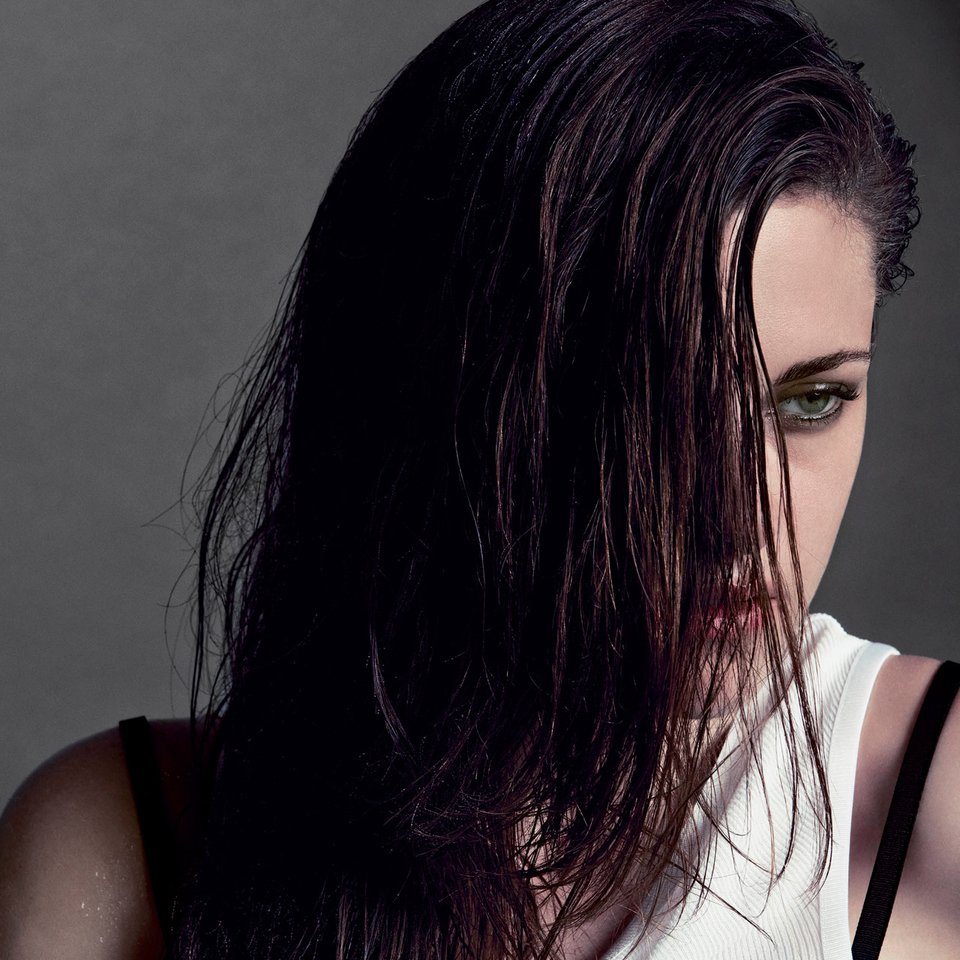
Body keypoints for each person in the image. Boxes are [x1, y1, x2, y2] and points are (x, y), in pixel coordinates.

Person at [0, 0, 955, 957]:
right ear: (441, 398)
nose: (741, 520)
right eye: (647, 412)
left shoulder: (935, 813)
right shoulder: (123, 850)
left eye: (811, 402)